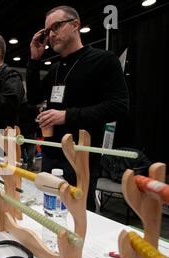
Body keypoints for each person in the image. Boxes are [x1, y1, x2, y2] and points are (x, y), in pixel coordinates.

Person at [26, 6, 129, 211]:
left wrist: (66, 116)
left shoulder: (103, 60)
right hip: (50, 154)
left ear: (75, 25)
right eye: (47, 31)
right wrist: (34, 60)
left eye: (56, 26)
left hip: (80, 158)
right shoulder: (56, 68)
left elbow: (119, 106)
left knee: (78, 216)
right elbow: (35, 98)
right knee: (49, 212)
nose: (51, 34)